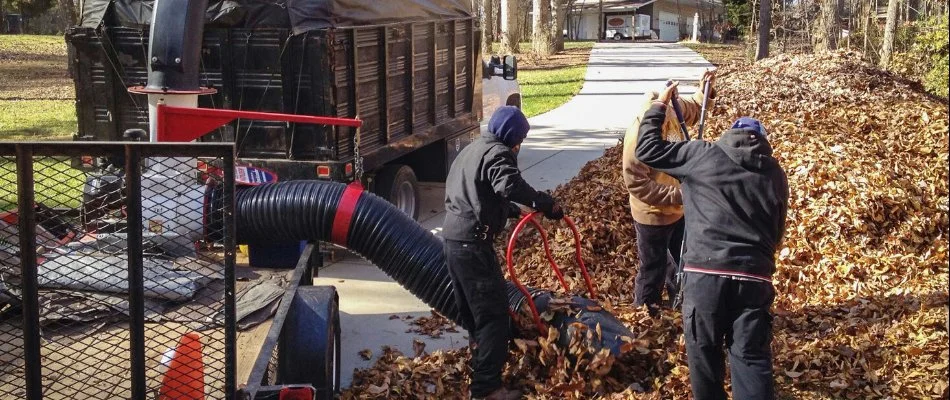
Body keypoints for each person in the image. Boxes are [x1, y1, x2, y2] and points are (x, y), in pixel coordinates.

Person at [635, 82, 789, 400]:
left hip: (704, 276)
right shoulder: (774, 174)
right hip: (753, 277)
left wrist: (659, 107)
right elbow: (776, 232)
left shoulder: (702, 155)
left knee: (704, 360)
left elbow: (647, 150)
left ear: (729, 135)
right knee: (751, 359)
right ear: (763, 143)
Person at [443, 106, 564, 400]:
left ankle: (481, 363)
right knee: (494, 314)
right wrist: (544, 203)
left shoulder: (474, 150)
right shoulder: (498, 153)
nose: (518, 146)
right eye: (519, 140)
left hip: (453, 241)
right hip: (473, 246)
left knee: (472, 312)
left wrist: (507, 210)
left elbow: (479, 193)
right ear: (512, 137)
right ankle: (486, 389)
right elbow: (509, 184)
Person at [621, 71, 716, 313]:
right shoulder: (640, 130)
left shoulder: (672, 111)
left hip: (680, 208)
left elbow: (693, 109)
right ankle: (645, 314)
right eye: (667, 110)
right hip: (652, 213)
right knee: (653, 268)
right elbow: (636, 182)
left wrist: (705, 90)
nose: (673, 114)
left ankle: (679, 309)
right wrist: (678, 195)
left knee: (685, 261)